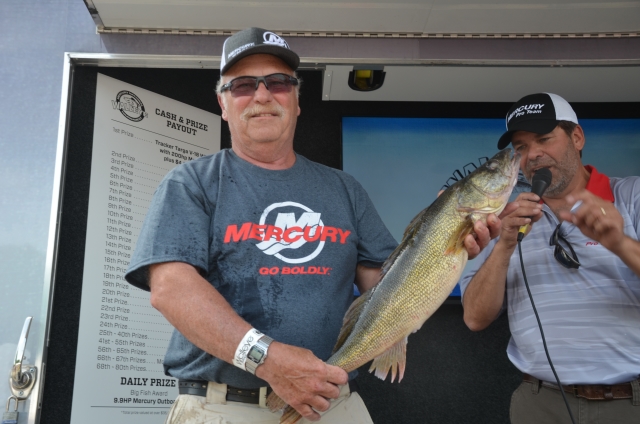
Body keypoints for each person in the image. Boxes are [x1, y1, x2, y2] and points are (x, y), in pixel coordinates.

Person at [126, 27, 495, 423]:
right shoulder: (192, 183)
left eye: (278, 83)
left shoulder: (344, 189)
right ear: (223, 103)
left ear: (297, 100)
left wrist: (443, 242)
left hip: (332, 403)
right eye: (244, 85)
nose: (263, 95)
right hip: (222, 407)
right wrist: (267, 359)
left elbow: (388, 285)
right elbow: (171, 289)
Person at [460, 92, 640, 423]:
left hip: (629, 402)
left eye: (544, 139)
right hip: (541, 403)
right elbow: (474, 318)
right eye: (521, 147)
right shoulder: (500, 221)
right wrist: (505, 246)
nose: (533, 154)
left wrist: (618, 243)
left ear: (577, 137)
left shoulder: (632, 196)